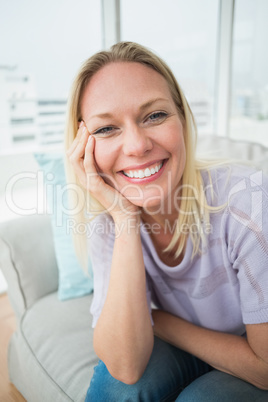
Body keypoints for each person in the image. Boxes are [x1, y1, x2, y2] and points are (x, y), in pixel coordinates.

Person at [65, 42, 268, 401]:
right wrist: (126, 221)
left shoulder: (249, 202)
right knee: (119, 388)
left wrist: (160, 321)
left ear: (183, 118)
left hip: (254, 353)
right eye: (107, 129)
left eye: (154, 116)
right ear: (85, 147)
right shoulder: (109, 220)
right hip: (203, 350)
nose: (137, 145)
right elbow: (125, 366)